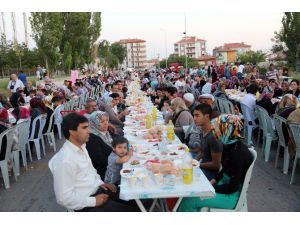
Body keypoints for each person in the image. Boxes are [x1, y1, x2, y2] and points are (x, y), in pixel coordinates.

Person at [49, 113, 137, 212]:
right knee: (132, 210)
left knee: (135, 199)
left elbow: (91, 171)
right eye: (84, 128)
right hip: (86, 203)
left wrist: (101, 183)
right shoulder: (64, 160)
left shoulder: (82, 147)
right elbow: (63, 198)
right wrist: (94, 201)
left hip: (98, 190)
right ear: (72, 132)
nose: (88, 131)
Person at [178, 114, 253, 212]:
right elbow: (224, 170)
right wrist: (212, 182)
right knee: (193, 192)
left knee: (189, 200)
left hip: (231, 196)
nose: (214, 131)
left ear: (227, 130)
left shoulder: (237, 154)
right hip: (224, 186)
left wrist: (211, 188)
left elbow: (232, 187)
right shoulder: (231, 145)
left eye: (218, 129)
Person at [193, 103, 223, 180]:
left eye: (197, 115)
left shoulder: (213, 136)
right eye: (194, 115)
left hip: (211, 173)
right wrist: (194, 161)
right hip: (203, 165)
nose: (194, 118)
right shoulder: (202, 130)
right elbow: (202, 151)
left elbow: (216, 165)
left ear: (207, 117)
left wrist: (198, 164)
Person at [86, 111, 114, 180]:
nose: (106, 123)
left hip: (112, 163)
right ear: (94, 123)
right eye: (101, 122)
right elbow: (100, 161)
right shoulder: (92, 139)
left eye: (107, 120)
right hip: (104, 173)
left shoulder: (104, 132)